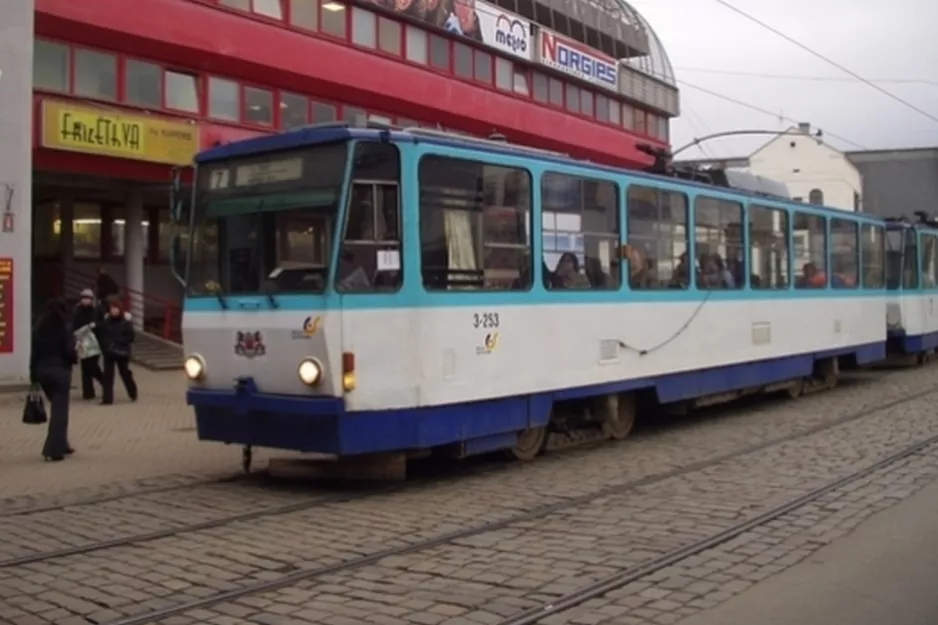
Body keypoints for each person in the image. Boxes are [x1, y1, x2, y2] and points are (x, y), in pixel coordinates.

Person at [29, 297, 77, 461]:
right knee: (60, 412)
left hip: (42, 372)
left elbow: (34, 354)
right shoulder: (65, 328)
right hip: (60, 372)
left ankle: (63, 443)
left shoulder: (39, 328)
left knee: (56, 408)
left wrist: (33, 376)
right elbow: (69, 352)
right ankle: (54, 450)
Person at [99, 297, 138, 405]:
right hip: (109, 352)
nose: (114, 311)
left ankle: (132, 392)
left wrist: (118, 341)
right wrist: (106, 345)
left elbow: (130, 337)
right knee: (108, 375)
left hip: (122, 352)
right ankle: (107, 399)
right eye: (112, 308)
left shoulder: (126, 323)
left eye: (116, 308)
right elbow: (102, 336)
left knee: (124, 373)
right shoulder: (106, 322)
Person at [73, 289, 104, 400]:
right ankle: (88, 392)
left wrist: (95, 325)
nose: (85, 301)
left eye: (88, 299)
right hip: (82, 342)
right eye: (83, 298)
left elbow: (102, 324)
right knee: (85, 367)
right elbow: (73, 325)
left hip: (94, 343)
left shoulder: (96, 311)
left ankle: (104, 381)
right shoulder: (77, 311)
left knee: (92, 366)